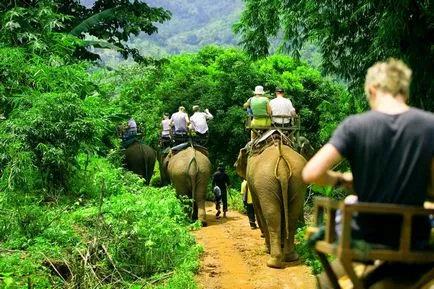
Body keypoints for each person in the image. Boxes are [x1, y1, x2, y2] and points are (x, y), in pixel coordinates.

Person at [302, 58, 434, 249]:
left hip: (365, 234)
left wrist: (341, 179)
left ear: (372, 90)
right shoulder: (429, 125)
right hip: (414, 237)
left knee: (348, 203)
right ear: (405, 91)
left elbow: (311, 173)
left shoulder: (354, 125)